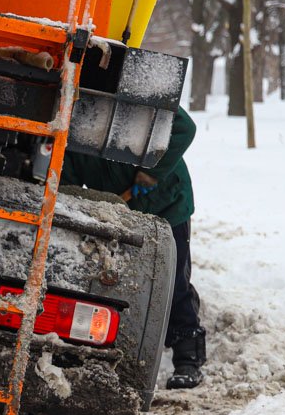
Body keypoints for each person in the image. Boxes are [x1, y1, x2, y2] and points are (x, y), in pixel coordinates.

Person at [59, 106, 206, 389]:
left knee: (172, 282)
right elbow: (68, 180)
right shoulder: (74, 120)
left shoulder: (137, 100)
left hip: (167, 204)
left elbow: (185, 128)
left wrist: (152, 172)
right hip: (120, 213)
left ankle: (188, 355)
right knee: (122, 281)